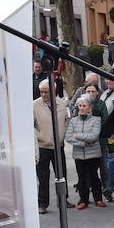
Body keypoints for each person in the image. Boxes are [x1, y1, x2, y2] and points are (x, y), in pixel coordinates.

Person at [33, 78, 70, 214]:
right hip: (43, 146)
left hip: (58, 146)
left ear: (53, 91)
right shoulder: (34, 105)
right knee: (43, 177)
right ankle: (42, 204)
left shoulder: (62, 104)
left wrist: (63, 134)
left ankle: (63, 200)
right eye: (41, 92)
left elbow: (67, 121)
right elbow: (31, 124)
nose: (43, 95)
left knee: (61, 175)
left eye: (46, 92)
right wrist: (38, 136)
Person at [66, 95, 107, 209]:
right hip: (79, 155)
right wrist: (83, 143)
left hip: (93, 154)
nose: (82, 108)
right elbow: (68, 137)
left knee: (94, 177)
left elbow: (94, 136)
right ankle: (83, 200)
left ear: (90, 108)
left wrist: (77, 135)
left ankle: (98, 199)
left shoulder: (96, 120)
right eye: (80, 105)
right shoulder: (73, 121)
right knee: (81, 177)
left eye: (85, 105)